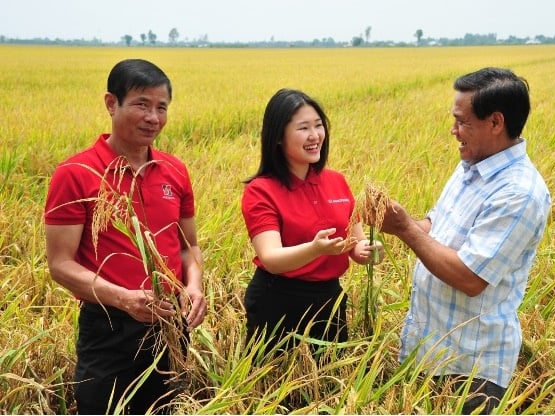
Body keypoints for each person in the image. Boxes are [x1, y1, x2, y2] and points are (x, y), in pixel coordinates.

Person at [366, 67, 551, 414]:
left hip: (470, 367)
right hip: (429, 350)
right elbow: (435, 226)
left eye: (462, 121)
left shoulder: (519, 193)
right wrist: (397, 222)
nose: (454, 131)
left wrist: (405, 228)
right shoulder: (471, 166)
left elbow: (470, 277)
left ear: (495, 122)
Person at [44, 58, 206, 414]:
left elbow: (187, 245)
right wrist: (124, 299)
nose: (153, 117)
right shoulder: (77, 173)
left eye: (161, 107)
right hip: (108, 326)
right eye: (142, 105)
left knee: (164, 408)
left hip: (170, 323)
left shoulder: (175, 171)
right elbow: (60, 265)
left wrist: (194, 285)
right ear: (111, 103)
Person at [241, 88, 384, 361]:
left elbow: (355, 243)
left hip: (328, 299)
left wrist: (367, 249)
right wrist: (316, 249)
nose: (315, 135)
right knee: (274, 389)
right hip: (278, 300)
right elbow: (270, 258)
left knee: (327, 382)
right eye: (303, 128)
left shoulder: (337, 181)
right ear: (279, 137)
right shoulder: (261, 190)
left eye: (318, 126)